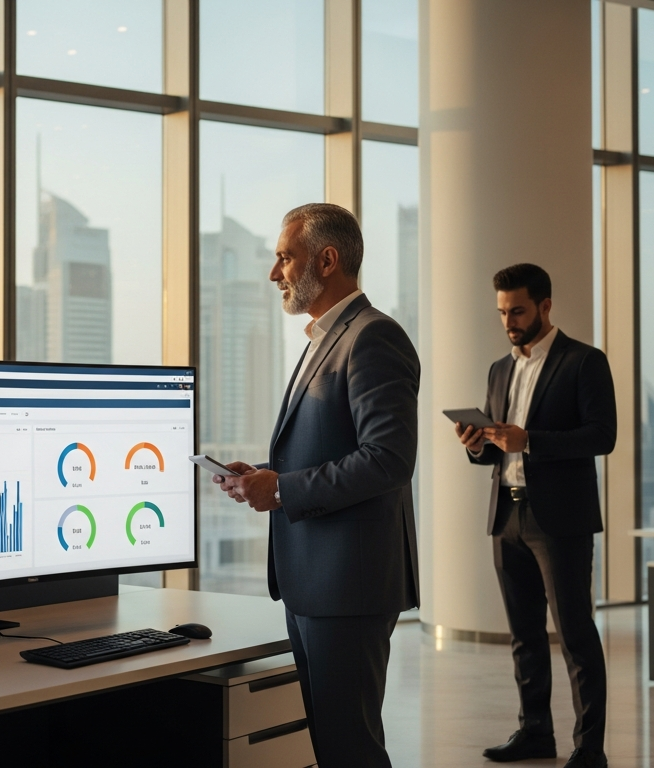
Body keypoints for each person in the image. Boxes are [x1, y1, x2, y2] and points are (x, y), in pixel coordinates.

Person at [217, 203, 419, 768]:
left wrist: (282, 490)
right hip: (318, 583)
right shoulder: (324, 338)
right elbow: (331, 445)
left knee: (349, 749)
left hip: (347, 587)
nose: (274, 272)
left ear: (326, 260)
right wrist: (264, 476)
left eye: (285, 257)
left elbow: (388, 459)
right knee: (333, 749)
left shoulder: (374, 338)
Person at [455, 263, 616, 768]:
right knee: (524, 637)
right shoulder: (499, 369)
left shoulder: (584, 362)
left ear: (546, 306)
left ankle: (590, 749)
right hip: (507, 516)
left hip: (561, 522)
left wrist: (533, 442)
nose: (509, 320)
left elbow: (601, 436)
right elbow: (496, 449)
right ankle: (535, 734)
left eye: (518, 310)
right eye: (502, 311)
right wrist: (475, 444)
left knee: (575, 637)